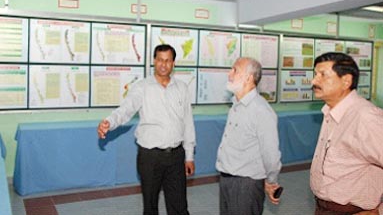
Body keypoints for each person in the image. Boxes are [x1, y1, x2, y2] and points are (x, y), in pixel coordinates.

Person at [98, 44, 196, 215]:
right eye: (160, 60)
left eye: (167, 60)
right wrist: (109, 122)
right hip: (150, 157)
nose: (163, 64)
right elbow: (126, 109)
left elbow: (188, 122)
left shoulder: (182, 88)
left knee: (179, 206)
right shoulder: (142, 87)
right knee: (150, 206)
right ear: (154, 61)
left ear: (173, 63)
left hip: (176, 156)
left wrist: (189, 155)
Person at [310, 52, 383, 215]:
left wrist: (380, 211)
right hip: (324, 207)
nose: (314, 81)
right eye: (315, 75)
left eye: (323, 75)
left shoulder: (366, 117)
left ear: (346, 81)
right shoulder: (330, 111)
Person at [216, 57, 282, 215]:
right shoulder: (236, 106)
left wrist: (270, 181)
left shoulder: (261, 111)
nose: (229, 73)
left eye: (235, 70)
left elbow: (271, 156)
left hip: (246, 186)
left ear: (248, 78)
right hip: (227, 180)